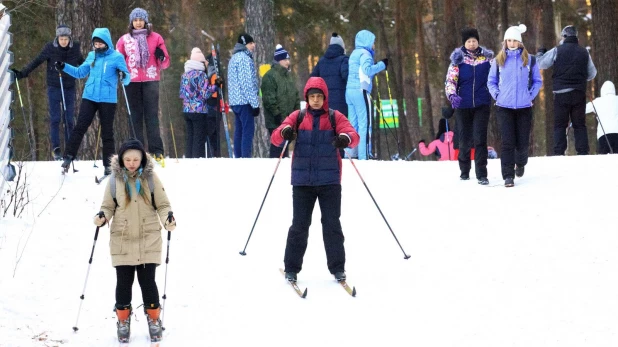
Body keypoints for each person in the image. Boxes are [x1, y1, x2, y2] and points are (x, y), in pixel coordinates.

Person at [271, 77, 360, 283]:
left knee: (332, 225)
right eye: (312, 97)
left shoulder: (334, 117)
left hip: (329, 181)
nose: (316, 100)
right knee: (299, 226)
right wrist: (285, 132)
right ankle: (291, 268)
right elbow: (276, 137)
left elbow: (353, 135)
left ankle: (338, 268)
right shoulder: (298, 117)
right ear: (307, 98)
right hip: (303, 182)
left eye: (319, 96)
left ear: (325, 98)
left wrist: (345, 138)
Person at [93, 139, 175, 343]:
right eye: (127, 159)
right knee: (123, 283)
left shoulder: (150, 178)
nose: (131, 163)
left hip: (148, 237)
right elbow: (108, 206)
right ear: (121, 160)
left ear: (142, 159)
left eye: (135, 159)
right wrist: (103, 216)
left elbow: (163, 204)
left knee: (148, 282)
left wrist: (167, 219)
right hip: (123, 238)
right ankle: (123, 320)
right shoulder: (114, 180)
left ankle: (154, 319)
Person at [58, 28, 131, 175]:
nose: (97, 46)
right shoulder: (92, 56)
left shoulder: (117, 57)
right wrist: (64, 66)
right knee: (80, 127)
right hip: (89, 96)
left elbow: (127, 78)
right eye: (95, 44)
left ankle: (109, 165)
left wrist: (123, 75)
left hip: (108, 99)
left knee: (107, 133)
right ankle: (68, 157)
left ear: (106, 43)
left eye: (100, 44)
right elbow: (80, 72)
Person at [11, 25, 84, 160]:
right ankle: (56, 149)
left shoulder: (75, 48)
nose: (63, 41)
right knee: (55, 119)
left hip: (69, 87)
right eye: (61, 39)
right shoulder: (50, 48)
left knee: (69, 120)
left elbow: (83, 64)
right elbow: (37, 61)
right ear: (57, 38)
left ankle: (70, 151)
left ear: (69, 38)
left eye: (65, 39)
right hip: (54, 86)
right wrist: (22, 73)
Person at [487, 24, 542, 187]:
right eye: (509, 40)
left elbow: (538, 81)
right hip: (504, 107)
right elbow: (491, 81)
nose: (511, 43)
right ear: (505, 42)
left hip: (524, 107)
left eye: (514, 40)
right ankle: (508, 175)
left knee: (522, 142)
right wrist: (497, 95)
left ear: (520, 42)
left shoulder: (529, 60)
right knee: (508, 142)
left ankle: (521, 162)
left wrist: (530, 95)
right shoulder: (498, 60)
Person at [116, 7, 171, 165]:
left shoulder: (156, 38)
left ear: (146, 21)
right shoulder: (124, 40)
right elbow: (118, 59)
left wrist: (162, 57)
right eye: (135, 20)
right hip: (131, 81)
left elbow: (166, 62)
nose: (138, 23)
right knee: (135, 117)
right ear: (131, 22)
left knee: (152, 116)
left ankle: (157, 151)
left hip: (150, 79)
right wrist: (119, 71)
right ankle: (137, 151)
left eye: (141, 20)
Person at [536, 25, 597, 155]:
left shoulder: (557, 50)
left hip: (561, 94)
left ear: (564, 37)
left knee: (560, 125)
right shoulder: (584, 52)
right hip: (578, 93)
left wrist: (540, 53)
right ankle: (583, 152)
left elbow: (541, 63)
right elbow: (592, 73)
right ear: (576, 37)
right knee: (579, 124)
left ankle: (558, 153)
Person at [445, 27, 494, 185]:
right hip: (463, 104)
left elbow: (494, 78)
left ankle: (482, 174)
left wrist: (492, 94)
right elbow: (450, 81)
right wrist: (452, 95)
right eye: (468, 41)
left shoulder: (487, 59)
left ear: (478, 41)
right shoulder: (457, 60)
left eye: (474, 41)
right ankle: (464, 171)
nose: (472, 44)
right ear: (464, 43)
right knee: (465, 140)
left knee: (480, 139)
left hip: (482, 104)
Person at [346, 30, 387, 160]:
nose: (374, 45)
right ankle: (364, 156)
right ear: (368, 42)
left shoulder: (354, 54)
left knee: (353, 124)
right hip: (361, 91)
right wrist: (382, 65)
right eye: (373, 42)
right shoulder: (366, 54)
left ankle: (351, 154)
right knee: (365, 124)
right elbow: (367, 70)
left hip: (349, 91)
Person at [262, 44, 300, 158]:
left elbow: (295, 95)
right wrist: (277, 114)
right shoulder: (269, 76)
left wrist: (296, 113)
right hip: (275, 120)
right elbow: (269, 98)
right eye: (285, 59)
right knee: (277, 148)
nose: (288, 62)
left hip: (288, 119)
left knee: (285, 148)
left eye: (288, 59)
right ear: (278, 61)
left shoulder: (288, 77)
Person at [179, 48, 218, 158]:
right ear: (200, 63)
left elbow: (182, 93)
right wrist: (215, 86)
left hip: (187, 109)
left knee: (190, 137)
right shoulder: (201, 75)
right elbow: (205, 94)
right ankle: (197, 159)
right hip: (199, 110)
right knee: (199, 137)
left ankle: (189, 158)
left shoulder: (185, 75)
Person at [228, 33, 260, 158]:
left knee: (239, 131)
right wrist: (254, 104)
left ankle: (239, 157)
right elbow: (247, 83)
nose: (253, 45)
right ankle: (245, 158)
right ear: (245, 44)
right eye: (251, 43)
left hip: (235, 101)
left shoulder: (234, 58)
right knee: (247, 131)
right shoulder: (244, 59)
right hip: (244, 101)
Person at [310, 33, 349, 116]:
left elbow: (312, 79)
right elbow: (347, 76)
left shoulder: (321, 61)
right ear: (342, 47)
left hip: (325, 100)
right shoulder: (344, 60)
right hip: (341, 100)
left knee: (327, 125)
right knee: (340, 124)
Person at [585, 81, 618, 154]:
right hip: (617, 134)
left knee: (604, 159)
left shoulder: (598, 101)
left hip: (603, 135)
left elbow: (584, 109)